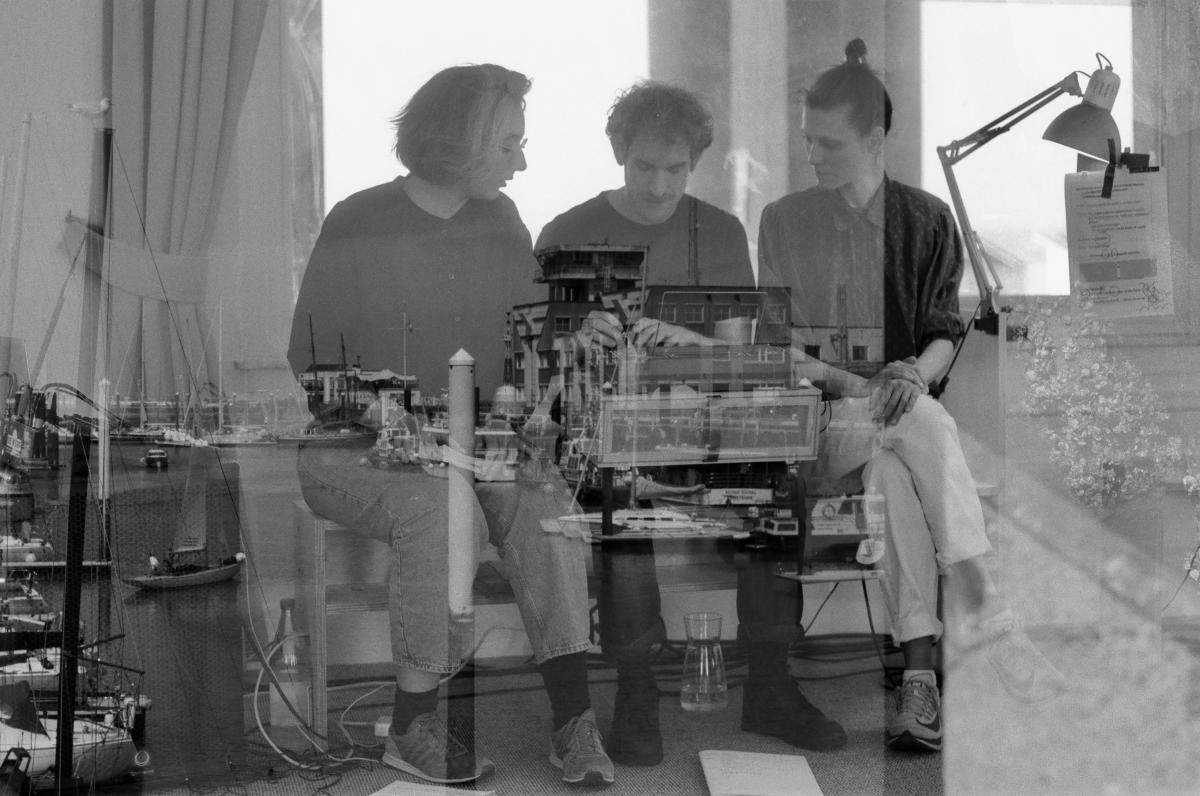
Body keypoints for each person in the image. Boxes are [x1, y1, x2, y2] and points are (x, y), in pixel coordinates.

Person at [287, 64, 614, 787]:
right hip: (354, 447)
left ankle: (572, 719)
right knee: (441, 505)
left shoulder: (499, 221)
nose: (522, 162)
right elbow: (309, 364)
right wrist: (396, 419)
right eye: (508, 145)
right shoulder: (357, 220)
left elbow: (524, 349)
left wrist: (565, 351)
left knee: (546, 502)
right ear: (458, 142)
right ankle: (412, 726)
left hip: (470, 442)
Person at [757, 39, 1065, 754]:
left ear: (874, 139)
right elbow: (781, 353)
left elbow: (941, 331)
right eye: (808, 142)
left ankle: (919, 685)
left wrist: (912, 376)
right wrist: (876, 385)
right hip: (822, 427)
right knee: (917, 419)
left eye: (829, 143)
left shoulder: (926, 220)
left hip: (898, 423)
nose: (814, 156)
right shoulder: (785, 220)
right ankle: (992, 620)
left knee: (898, 476)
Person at [536, 80, 848, 766]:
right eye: (645, 165)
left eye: (675, 168)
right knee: (620, 488)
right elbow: (545, 371)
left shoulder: (722, 229)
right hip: (609, 434)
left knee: (778, 482)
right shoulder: (565, 231)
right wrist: (579, 341)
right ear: (619, 153)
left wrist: (676, 340)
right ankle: (637, 691)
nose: (658, 183)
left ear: (695, 162)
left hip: (708, 427)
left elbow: (747, 357)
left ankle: (769, 682)